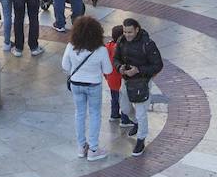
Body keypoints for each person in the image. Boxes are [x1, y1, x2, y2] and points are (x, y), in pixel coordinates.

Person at [63, 15, 112, 160]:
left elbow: (65, 66)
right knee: (95, 114)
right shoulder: (101, 50)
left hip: (76, 84)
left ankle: (81, 147)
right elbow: (108, 70)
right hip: (94, 85)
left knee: (79, 114)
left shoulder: (71, 46)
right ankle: (93, 149)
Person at [114, 18, 162, 156]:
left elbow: (157, 65)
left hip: (142, 82)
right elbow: (116, 59)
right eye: (125, 32)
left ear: (137, 30)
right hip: (126, 81)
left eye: (130, 32)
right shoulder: (121, 41)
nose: (127, 35)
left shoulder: (148, 44)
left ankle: (141, 139)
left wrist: (139, 70)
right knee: (125, 108)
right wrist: (120, 68)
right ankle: (135, 123)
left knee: (141, 113)